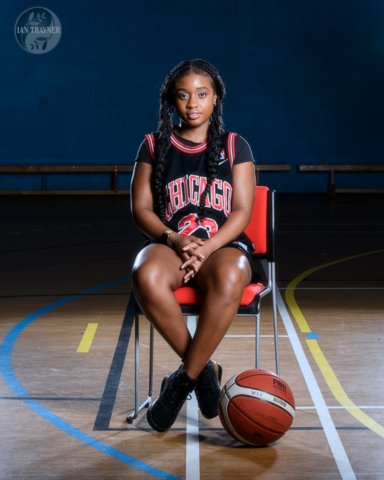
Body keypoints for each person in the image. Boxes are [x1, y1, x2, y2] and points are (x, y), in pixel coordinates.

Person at [130, 59, 256, 432]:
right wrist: (174, 237)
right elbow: (141, 209)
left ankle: (181, 381)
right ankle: (203, 376)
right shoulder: (154, 144)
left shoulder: (235, 145)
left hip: (222, 245)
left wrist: (207, 245)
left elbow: (243, 210)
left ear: (215, 98)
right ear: (172, 100)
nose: (193, 103)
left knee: (233, 273)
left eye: (202, 94)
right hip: (172, 245)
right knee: (145, 273)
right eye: (183, 96)